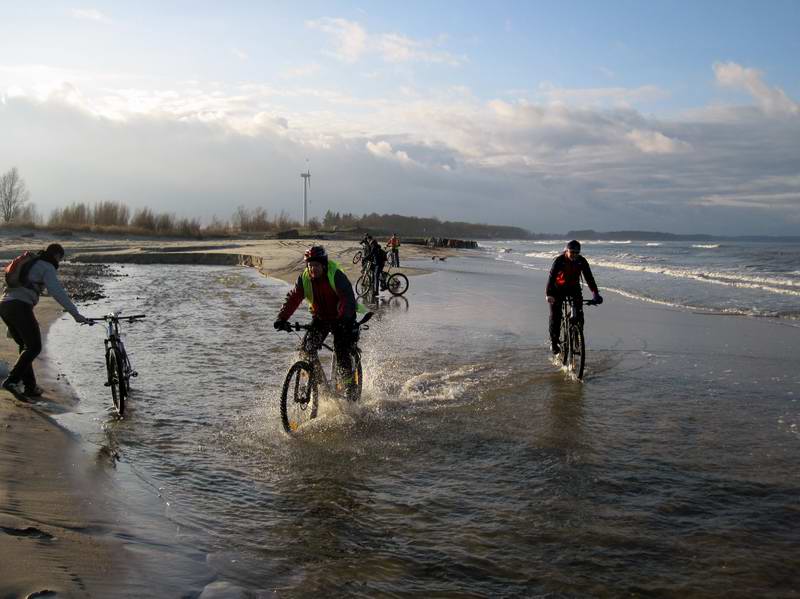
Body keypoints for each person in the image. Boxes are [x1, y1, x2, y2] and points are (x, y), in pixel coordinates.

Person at [1, 243, 88, 396]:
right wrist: (76, 314)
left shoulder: (32, 262)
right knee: (34, 347)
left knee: (25, 346)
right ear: (56, 256)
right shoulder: (47, 266)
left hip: (4, 304)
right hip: (19, 306)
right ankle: (12, 380)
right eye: (60, 258)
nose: (59, 262)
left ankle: (30, 387)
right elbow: (56, 291)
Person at [274, 245, 360, 398]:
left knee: (341, 350)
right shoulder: (304, 278)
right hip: (320, 318)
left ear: (324, 265)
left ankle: (350, 387)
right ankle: (319, 385)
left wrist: (343, 320)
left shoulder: (336, 276)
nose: (313, 268)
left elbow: (347, 299)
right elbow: (294, 298)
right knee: (306, 349)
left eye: (316, 265)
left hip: (342, 317)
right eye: (310, 265)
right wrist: (282, 318)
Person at [545, 240, 603, 354]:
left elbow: (589, 278)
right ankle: (554, 341)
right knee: (555, 315)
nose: (574, 255)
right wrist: (548, 294)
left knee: (579, 315)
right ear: (566, 251)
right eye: (572, 252)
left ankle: (577, 337)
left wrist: (595, 294)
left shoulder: (581, 261)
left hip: (574, 288)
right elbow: (551, 279)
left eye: (577, 253)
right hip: (558, 289)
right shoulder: (559, 260)